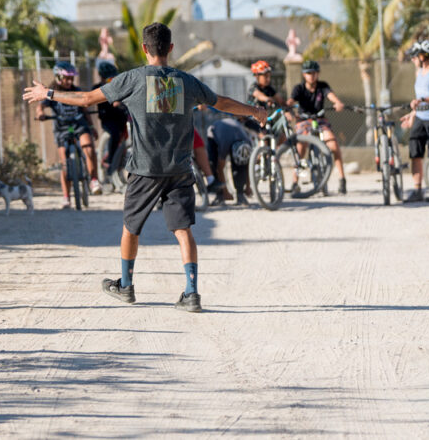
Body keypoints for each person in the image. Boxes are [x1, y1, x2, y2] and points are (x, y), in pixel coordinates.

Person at [22, 23, 267, 313]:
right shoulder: (187, 81)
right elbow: (222, 103)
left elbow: (86, 98)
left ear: (144, 49)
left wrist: (47, 94)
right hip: (179, 168)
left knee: (130, 227)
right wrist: (254, 111)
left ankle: (125, 285)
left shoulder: (132, 79)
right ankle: (191, 293)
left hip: (144, 169)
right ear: (171, 48)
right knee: (183, 229)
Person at [36, 61, 102, 207]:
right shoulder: (51, 91)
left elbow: (85, 109)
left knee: (89, 148)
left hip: (79, 125)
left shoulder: (76, 90)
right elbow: (41, 105)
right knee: (65, 163)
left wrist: (91, 127)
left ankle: (94, 180)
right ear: (58, 77)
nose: (69, 81)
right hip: (62, 128)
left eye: (71, 78)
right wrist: (40, 113)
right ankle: (66, 197)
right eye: (66, 78)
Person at [288, 59, 347, 194]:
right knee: (300, 149)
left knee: (333, 145)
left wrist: (338, 103)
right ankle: (295, 182)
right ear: (304, 75)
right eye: (308, 73)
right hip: (304, 121)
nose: (311, 76)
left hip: (320, 120)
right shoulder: (299, 88)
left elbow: (331, 96)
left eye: (314, 73)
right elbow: (291, 100)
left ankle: (342, 179)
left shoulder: (322, 86)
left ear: (318, 74)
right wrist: (288, 107)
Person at [400, 40, 429, 202]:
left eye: (414, 57)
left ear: (422, 56)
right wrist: (412, 115)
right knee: (415, 154)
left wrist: (422, 100)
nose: (412, 60)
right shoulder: (417, 73)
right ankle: (417, 190)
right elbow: (417, 101)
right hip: (420, 117)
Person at [92, 61, 129, 177]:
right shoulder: (97, 88)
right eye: (109, 79)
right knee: (114, 134)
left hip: (122, 118)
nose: (112, 81)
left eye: (114, 78)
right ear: (102, 78)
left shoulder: (118, 87)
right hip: (108, 121)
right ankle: (111, 161)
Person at [206, 116, 253, 206]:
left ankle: (240, 194)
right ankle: (219, 195)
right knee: (213, 163)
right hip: (215, 132)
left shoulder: (247, 143)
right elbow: (220, 168)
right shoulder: (224, 144)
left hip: (234, 132)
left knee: (240, 166)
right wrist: (225, 191)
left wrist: (248, 186)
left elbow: (247, 166)